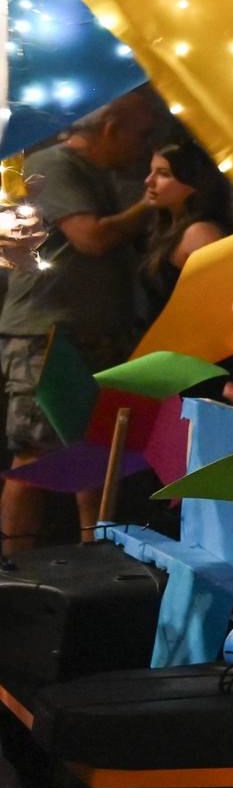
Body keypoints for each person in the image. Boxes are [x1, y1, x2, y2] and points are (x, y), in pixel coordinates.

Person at [0, 92, 156, 554]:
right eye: (141, 134)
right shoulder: (58, 164)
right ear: (110, 128)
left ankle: (96, 570)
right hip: (47, 337)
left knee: (94, 458)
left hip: (85, 334)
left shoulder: (98, 175)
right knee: (35, 459)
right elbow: (91, 237)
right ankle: (14, 578)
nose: (143, 148)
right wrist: (151, 203)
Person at [138, 140, 233, 325]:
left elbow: (219, 303)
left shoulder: (200, 233)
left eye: (164, 174)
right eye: (151, 171)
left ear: (193, 184)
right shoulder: (167, 226)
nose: (148, 181)